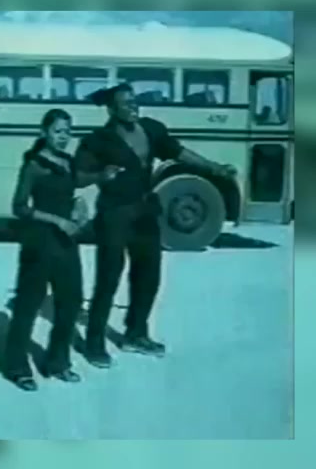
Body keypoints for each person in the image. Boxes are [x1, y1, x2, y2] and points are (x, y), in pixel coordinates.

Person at [76, 83, 236, 367]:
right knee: (108, 279)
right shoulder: (98, 140)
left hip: (145, 211)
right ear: (111, 109)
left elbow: (179, 152)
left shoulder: (151, 129)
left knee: (149, 276)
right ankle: (94, 343)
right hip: (114, 214)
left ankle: (136, 334)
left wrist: (214, 167)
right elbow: (78, 176)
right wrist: (100, 175)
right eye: (125, 103)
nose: (132, 106)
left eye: (134, 101)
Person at [3, 109, 121, 389]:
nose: (63, 137)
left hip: (66, 243)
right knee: (28, 305)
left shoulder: (68, 161)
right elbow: (19, 207)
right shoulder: (34, 165)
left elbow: (74, 182)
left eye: (67, 131)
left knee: (71, 302)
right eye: (58, 131)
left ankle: (57, 362)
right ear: (44, 132)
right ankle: (17, 367)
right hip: (39, 243)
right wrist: (57, 220)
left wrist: (89, 190)